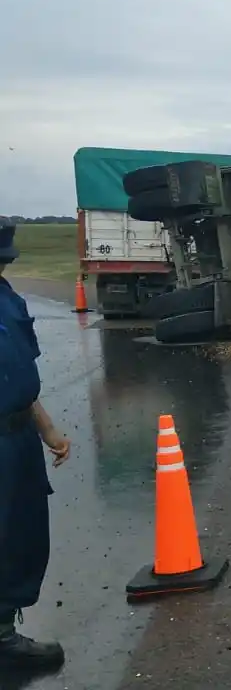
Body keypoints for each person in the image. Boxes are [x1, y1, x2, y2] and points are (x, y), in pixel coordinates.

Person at [0, 218, 71, 671]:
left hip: (19, 436)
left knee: (21, 535)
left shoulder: (9, 298)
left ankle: (3, 633)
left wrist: (47, 429)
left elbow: (23, 373)